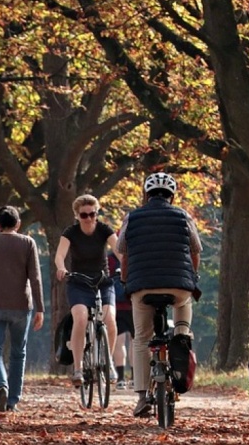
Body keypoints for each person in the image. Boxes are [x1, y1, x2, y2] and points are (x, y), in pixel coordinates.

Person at [116, 172, 202, 418]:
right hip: (178, 286)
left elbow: (123, 253)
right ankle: (181, 341)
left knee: (141, 338)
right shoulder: (184, 216)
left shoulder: (131, 218)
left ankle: (142, 397)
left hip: (143, 286)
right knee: (183, 315)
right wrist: (191, 276)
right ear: (172, 196)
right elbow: (195, 251)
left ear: (146, 194)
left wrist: (125, 280)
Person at [0, 206, 45, 413]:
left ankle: (1, 385)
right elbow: (35, 278)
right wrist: (40, 308)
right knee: (18, 353)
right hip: (20, 305)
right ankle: (12, 400)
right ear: (18, 224)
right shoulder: (28, 243)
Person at [55, 194, 120, 388]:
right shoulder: (71, 232)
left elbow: (119, 250)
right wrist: (61, 268)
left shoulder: (104, 230)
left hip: (103, 281)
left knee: (110, 320)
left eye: (93, 214)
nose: (89, 219)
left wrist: (126, 266)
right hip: (79, 282)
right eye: (84, 215)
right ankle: (78, 368)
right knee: (81, 318)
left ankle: (108, 362)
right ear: (77, 216)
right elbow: (60, 255)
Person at [107, 254, 134, 390]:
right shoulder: (134, 254)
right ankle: (135, 377)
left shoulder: (110, 259)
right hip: (134, 304)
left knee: (119, 342)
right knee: (136, 342)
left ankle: (121, 378)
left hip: (116, 306)